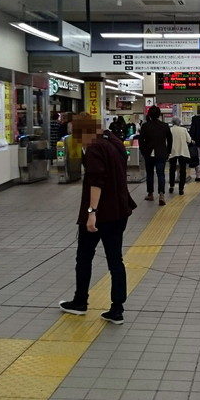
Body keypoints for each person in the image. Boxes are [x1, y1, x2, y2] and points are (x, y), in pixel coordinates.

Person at [58, 112, 136, 325]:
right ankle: (117, 309)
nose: (74, 136)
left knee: (84, 256)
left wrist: (92, 213)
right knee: (115, 260)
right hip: (120, 210)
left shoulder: (93, 148)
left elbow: (96, 182)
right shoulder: (114, 141)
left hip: (102, 213)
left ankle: (80, 302)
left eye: (75, 132)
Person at [138, 106, 172, 206]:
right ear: (159, 114)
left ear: (149, 114)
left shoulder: (145, 126)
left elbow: (141, 141)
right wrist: (168, 152)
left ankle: (150, 194)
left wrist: (143, 152)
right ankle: (161, 195)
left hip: (149, 154)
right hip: (161, 153)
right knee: (161, 174)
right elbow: (170, 140)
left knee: (150, 174)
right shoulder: (165, 125)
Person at [168, 119, 193, 196]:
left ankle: (171, 186)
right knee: (183, 170)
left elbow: (167, 141)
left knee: (172, 169)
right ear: (179, 123)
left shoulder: (170, 130)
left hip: (172, 152)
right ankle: (181, 189)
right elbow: (189, 140)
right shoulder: (184, 129)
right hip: (182, 151)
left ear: (172, 123)